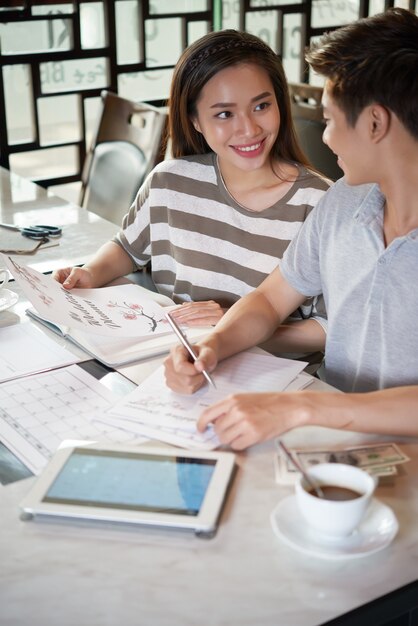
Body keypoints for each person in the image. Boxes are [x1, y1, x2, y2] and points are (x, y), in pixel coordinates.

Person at [164, 8, 418, 448]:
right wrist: (215, 345)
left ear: (375, 123)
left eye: (331, 119)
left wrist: (304, 408)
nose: (325, 138)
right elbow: (269, 298)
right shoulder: (344, 201)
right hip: (331, 441)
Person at [53, 29, 329, 355]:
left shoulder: (320, 205)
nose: (249, 129)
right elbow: (128, 247)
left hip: (272, 382)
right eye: (224, 114)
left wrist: (232, 330)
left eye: (261, 106)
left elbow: (328, 328)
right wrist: (90, 273)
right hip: (172, 361)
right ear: (195, 120)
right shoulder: (171, 183)